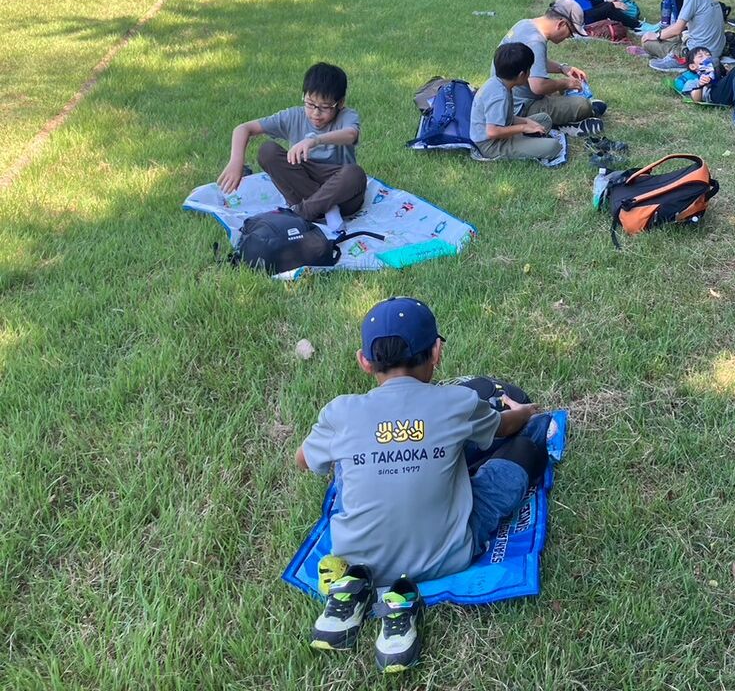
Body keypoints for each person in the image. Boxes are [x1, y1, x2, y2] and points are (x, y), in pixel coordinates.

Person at [297, 297, 552, 672]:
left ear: (364, 361)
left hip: (360, 560)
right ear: (436, 352)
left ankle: (354, 595)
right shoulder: (457, 401)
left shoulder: (340, 411)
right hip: (446, 556)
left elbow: (304, 460)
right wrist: (525, 412)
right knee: (527, 449)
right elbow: (504, 427)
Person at [216, 62, 366, 222]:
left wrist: (314, 140)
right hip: (302, 185)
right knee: (267, 151)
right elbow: (244, 128)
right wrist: (236, 161)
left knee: (355, 174)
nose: (316, 113)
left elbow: (351, 134)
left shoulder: (346, 116)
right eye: (310, 104)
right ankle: (324, 208)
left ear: (340, 103)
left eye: (325, 107)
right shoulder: (293, 116)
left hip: (340, 194)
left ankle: (303, 212)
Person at [497, 0, 606, 131]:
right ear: (561, 24)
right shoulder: (535, 42)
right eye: (571, 33)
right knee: (582, 106)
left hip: (504, 101)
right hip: (519, 108)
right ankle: (567, 123)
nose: (568, 37)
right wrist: (566, 83)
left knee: (560, 91)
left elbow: (535, 62)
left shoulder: (524, 24)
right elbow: (538, 87)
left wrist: (562, 68)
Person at [470, 42, 563, 163]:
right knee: (553, 147)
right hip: (491, 145)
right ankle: (527, 142)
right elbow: (492, 132)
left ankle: (527, 140)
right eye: (529, 70)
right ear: (522, 75)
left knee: (544, 120)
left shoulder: (498, 82)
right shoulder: (499, 96)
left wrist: (526, 121)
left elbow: (504, 118)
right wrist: (523, 127)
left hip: (503, 131)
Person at [641, 0, 725, 72]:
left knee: (647, 42)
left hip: (697, 53)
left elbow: (677, 29)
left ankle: (679, 60)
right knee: (673, 36)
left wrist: (657, 35)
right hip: (717, 49)